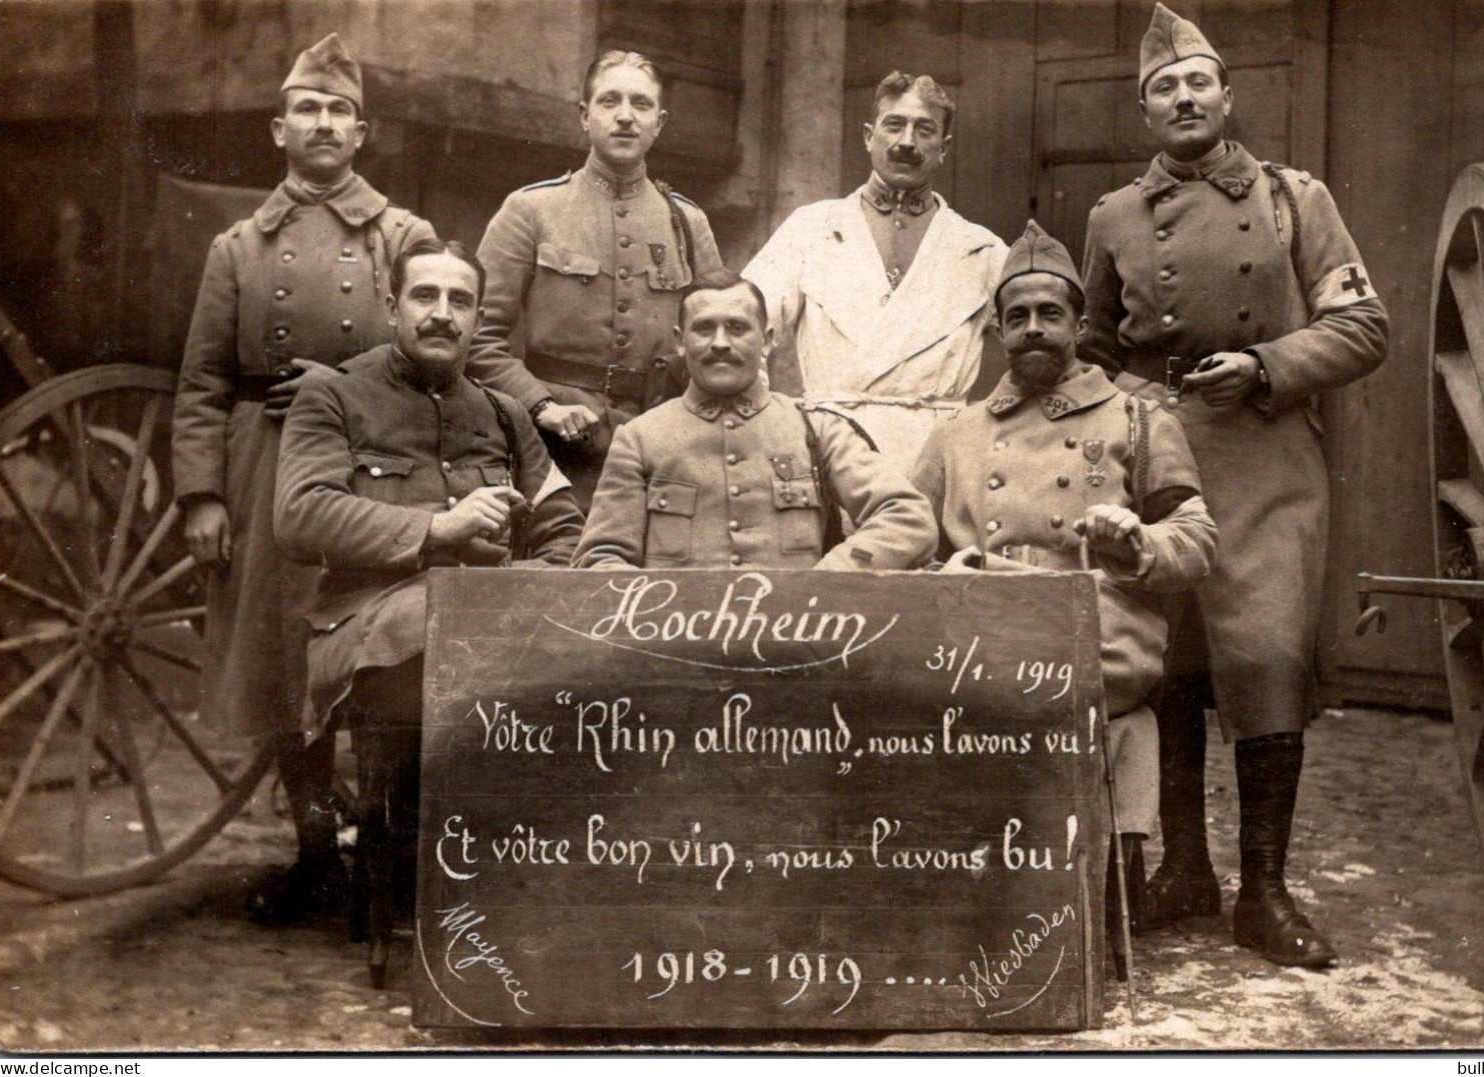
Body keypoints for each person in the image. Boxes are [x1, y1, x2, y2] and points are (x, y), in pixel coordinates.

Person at [1079, 3, 1389, 967]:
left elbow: (1363, 327)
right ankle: (1186, 870)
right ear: (1143, 111)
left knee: (1260, 658)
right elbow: (1091, 344)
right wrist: (1131, 400)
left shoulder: (1296, 197)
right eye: (1163, 88)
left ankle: (1263, 888)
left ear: (1227, 95)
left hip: (1264, 456)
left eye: (1196, 82)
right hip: (1158, 455)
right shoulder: (1113, 216)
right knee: (1169, 661)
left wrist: (1261, 365)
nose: (1183, 98)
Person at [171, 33, 435, 924]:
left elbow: (433, 358)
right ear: (279, 129)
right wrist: (202, 495)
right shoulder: (239, 248)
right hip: (266, 467)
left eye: (340, 112)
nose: (324, 125)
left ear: (362, 133)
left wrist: (341, 379)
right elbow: (203, 380)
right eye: (308, 111)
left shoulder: (404, 236)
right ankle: (316, 850)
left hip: (373, 471)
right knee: (286, 665)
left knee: (374, 655)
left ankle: (384, 857)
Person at [274, 238, 582, 981]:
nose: (441, 314)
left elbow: (562, 520)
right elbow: (301, 514)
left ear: (478, 318)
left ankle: (525, 893)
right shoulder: (334, 396)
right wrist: (433, 531)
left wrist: (536, 582)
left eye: (460, 301)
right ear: (392, 305)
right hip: (368, 622)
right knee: (422, 638)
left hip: (490, 617)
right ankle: (413, 893)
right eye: (425, 296)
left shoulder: (504, 414)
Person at [911, 221, 1216, 948]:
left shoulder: (1138, 420)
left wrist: (1136, 544)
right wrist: (938, 572)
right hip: (978, 641)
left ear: (1079, 325)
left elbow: (1197, 537)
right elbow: (897, 540)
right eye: (1016, 317)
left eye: (1050, 314)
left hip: (1094, 645)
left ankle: (1071, 900)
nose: (1033, 329)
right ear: (996, 331)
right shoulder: (955, 434)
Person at [464, 50, 726, 510]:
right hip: (555, 451)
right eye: (609, 102)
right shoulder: (530, 211)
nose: (625, 116)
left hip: (661, 448)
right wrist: (541, 406)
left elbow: (714, 337)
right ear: (585, 116)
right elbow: (477, 340)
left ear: (659, 123)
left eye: (641, 105)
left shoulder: (688, 221)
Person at [574, 273, 936, 572]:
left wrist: (831, 579)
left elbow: (908, 517)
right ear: (680, 342)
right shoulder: (639, 439)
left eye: (736, 328)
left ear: (766, 341)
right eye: (703, 329)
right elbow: (600, 559)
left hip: (796, 638)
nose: (720, 343)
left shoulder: (818, 431)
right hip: (678, 647)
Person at [743, 72, 1006, 473]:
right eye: (894, 125)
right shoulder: (810, 227)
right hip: (829, 454)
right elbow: (742, 324)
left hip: (937, 462)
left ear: (944, 147)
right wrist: (770, 430)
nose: (906, 142)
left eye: (924, 130)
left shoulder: (979, 248)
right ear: (869, 136)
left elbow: (1036, 347)